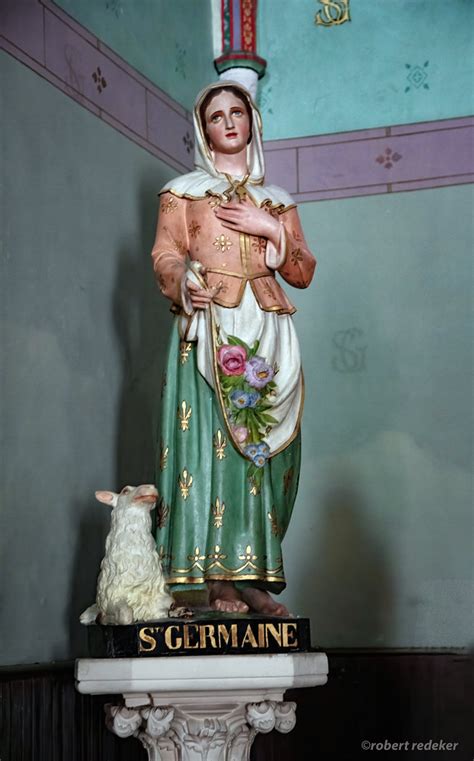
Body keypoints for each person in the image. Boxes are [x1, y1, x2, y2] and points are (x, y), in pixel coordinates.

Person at [151, 81, 316, 616]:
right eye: (215, 116)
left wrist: (271, 228)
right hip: (209, 329)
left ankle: (252, 574)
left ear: (252, 122)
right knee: (212, 445)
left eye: (236, 112)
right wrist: (182, 280)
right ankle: (216, 579)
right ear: (203, 130)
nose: (227, 122)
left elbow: (303, 271)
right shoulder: (182, 193)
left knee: (264, 453)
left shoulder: (278, 201)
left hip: (267, 331)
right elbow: (165, 254)